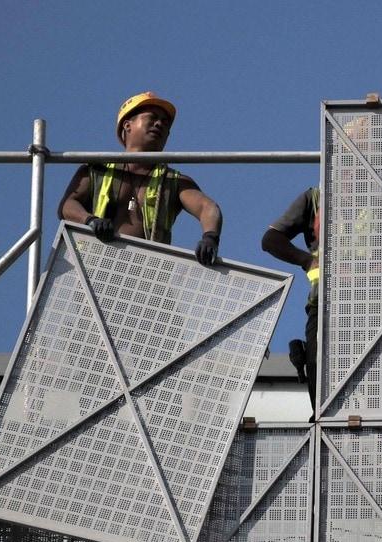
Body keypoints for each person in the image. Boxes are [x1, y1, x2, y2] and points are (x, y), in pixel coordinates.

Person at [58, 92, 222, 265]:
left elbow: (207, 207)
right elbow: (66, 206)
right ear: (128, 126)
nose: (159, 124)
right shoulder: (97, 170)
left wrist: (210, 237)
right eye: (152, 118)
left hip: (146, 275)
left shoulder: (173, 180)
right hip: (93, 265)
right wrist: (90, 220)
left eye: (165, 123)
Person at [261, 186, 320, 409]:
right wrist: (307, 260)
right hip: (322, 304)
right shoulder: (315, 198)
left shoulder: (378, 195)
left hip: (372, 306)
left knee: (375, 383)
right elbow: (270, 240)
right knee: (318, 379)